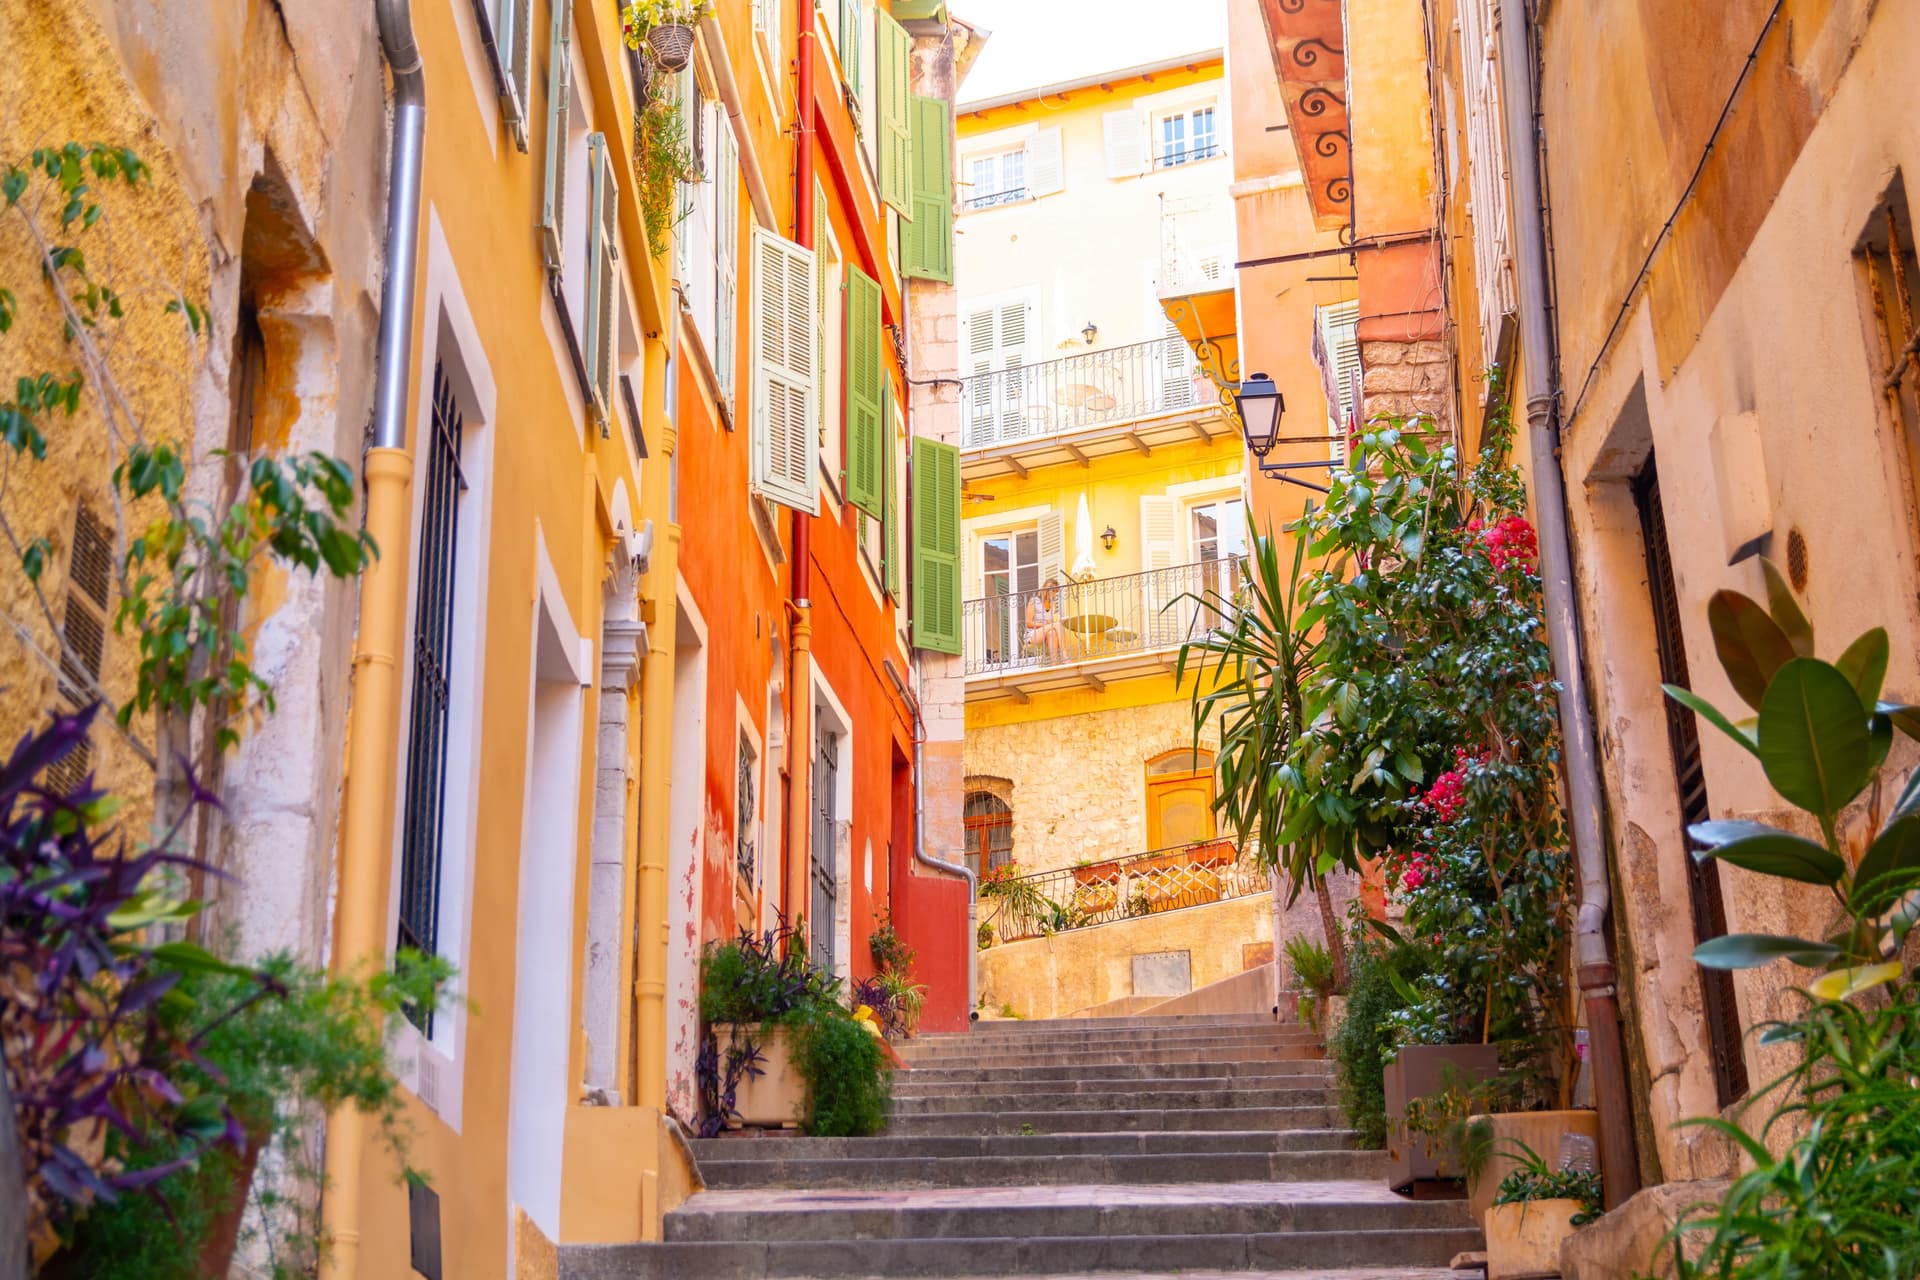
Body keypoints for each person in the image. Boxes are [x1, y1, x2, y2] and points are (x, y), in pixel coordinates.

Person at [1025, 577, 1074, 664]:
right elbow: (1028, 623)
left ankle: (1053, 663)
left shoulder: (1052, 604)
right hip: (1033, 634)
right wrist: (1044, 625)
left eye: (1056, 592)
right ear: (1047, 590)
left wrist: (1053, 623)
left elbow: (1051, 622)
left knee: (1052, 632)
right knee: (1057, 625)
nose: (1055, 594)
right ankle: (1064, 654)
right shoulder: (1034, 601)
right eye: (1053, 591)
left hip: (1046, 632)